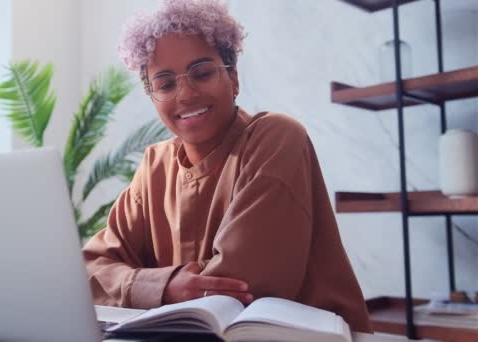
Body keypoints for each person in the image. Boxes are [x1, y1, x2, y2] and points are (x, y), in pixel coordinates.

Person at [83, 0, 372, 333]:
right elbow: (90, 269)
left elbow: (237, 287)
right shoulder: (155, 166)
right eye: (165, 84)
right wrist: (166, 285)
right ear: (152, 96)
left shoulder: (276, 137)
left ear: (233, 78)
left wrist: (141, 285)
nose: (185, 94)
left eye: (202, 73)